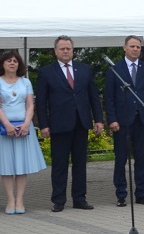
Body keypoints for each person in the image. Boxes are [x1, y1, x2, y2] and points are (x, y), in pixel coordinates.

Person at [36, 35, 104, 212]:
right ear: (55, 51)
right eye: (62, 48)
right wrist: (43, 124)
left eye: (68, 48)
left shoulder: (84, 69)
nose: (66, 51)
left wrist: (98, 119)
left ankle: (79, 198)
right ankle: (58, 200)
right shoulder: (46, 72)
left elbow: (93, 97)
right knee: (59, 164)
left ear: (73, 50)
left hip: (81, 122)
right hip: (59, 124)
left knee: (80, 163)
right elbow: (41, 102)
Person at [0, 51, 46, 214]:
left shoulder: (25, 82)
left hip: (23, 127)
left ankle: (20, 200)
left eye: (15, 61)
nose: (12, 63)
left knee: (21, 164)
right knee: (6, 165)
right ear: (2, 64)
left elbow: (30, 105)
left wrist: (27, 123)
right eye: (8, 61)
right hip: (4, 127)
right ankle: (10, 200)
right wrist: (7, 125)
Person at [104, 35, 144, 206]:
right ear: (125, 48)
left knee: (142, 159)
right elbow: (109, 97)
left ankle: (141, 193)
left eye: (138, 47)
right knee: (121, 159)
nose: (136, 49)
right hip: (122, 122)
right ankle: (121, 194)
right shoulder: (115, 69)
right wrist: (112, 119)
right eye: (133, 46)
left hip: (142, 121)